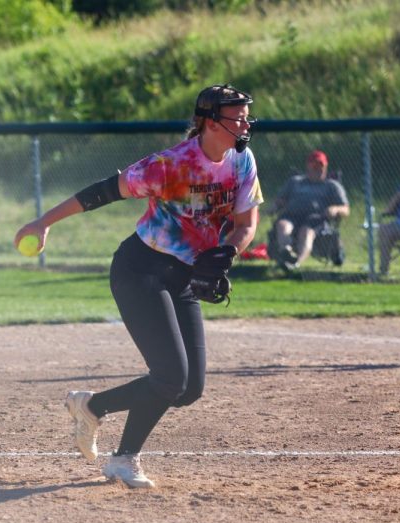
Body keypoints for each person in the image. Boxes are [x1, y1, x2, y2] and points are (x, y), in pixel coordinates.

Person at [14, 84, 262, 488]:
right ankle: (124, 458)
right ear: (210, 120)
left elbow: (246, 224)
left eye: (247, 115)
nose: (245, 123)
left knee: (188, 388)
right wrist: (43, 223)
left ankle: (92, 407)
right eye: (237, 116)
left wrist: (227, 253)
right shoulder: (170, 165)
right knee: (170, 376)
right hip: (140, 270)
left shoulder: (241, 160)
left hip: (185, 276)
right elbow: (103, 192)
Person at [271, 150, 349, 270]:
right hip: (292, 216)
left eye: (320, 166)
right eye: (314, 166)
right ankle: (286, 252)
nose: (318, 169)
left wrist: (336, 209)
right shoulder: (295, 182)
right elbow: (280, 200)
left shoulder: (332, 185)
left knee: (305, 232)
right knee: (282, 225)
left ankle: (295, 263)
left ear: (325, 167)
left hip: (315, 219)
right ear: (308, 166)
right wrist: (275, 207)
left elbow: (346, 209)